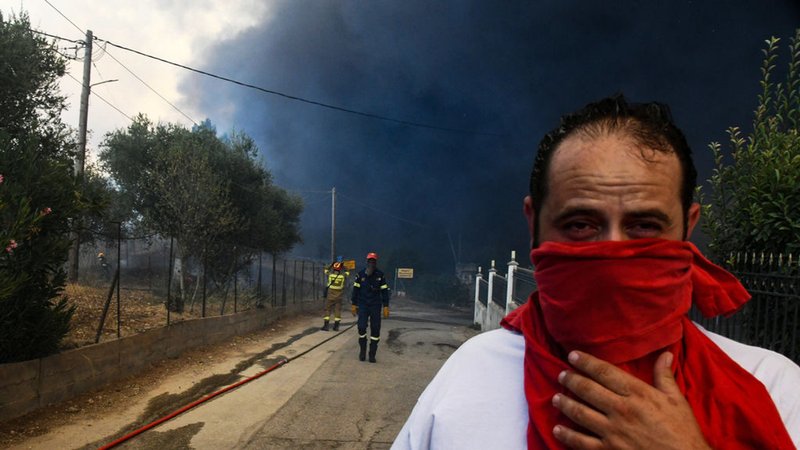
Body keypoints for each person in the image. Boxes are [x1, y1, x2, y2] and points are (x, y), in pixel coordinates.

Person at [393, 95, 800, 449]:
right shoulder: (470, 375)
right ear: (534, 222)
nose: (612, 255)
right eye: (580, 225)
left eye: (644, 226)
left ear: (687, 228)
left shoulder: (772, 386)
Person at [351, 252, 390, 363]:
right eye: (370, 261)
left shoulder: (380, 275)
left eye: (373, 261)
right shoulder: (360, 275)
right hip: (363, 305)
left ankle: (372, 354)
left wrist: (386, 306)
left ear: (376, 262)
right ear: (367, 262)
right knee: (361, 327)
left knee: (375, 329)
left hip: (375, 305)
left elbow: (384, 291)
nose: (371, 263)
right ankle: (362, 352)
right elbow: (355, 290)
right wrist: (354, 304)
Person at [322, 256, 349, 331]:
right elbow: (347, 271)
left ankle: (326, 326)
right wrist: (342, 265)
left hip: (330, 295)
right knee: (337, 310)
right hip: (339, 296)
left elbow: (325, 269)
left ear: (333, 268)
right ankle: (336, 326)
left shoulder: (330, 275)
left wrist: (331, 264)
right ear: (340, 269)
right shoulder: (343, 276)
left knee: (327, 309)